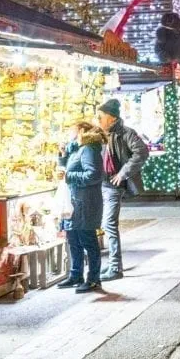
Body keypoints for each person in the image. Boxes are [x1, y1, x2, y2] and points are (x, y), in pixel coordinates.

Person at [96, 99, 148, 282]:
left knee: (109, 224)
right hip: (100, 185)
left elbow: (142, 151)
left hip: (112, 186)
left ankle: (116, 267)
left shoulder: (125, 133)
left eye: (101, 116)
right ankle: (110, 265)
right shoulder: (100, 134)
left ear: (112, 118)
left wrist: (123, 173)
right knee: (104, 224)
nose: (98, 120)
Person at [57, 122, 105, 294]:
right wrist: (62, 156)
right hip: (74, 202)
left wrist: (69, 176)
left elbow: (93, 175)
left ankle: (93, 279)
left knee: (88, 240)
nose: (69, 133)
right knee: (73, 240)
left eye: (72, 130)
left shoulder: (89, 149)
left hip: (85, 203)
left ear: (82, 131)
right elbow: (68, 168)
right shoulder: (77, 149)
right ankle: (76, 274)